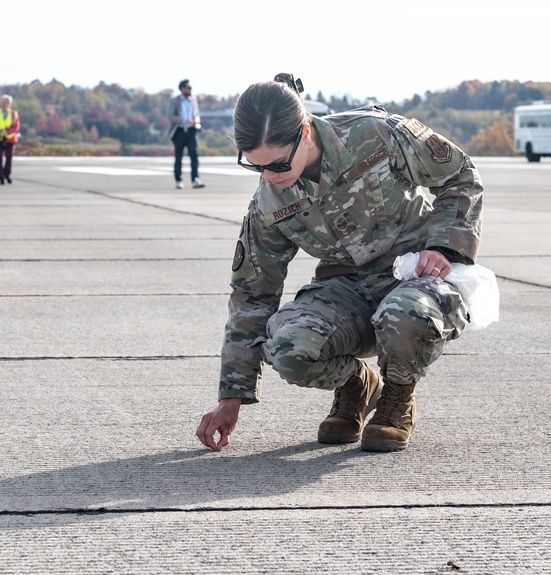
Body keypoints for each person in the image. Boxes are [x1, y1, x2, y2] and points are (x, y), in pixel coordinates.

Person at [196, 73, 483, 453]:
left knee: (403, 313)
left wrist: (444, 248)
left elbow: (461, 175)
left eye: (278, 164)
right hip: (349, 290)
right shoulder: (269, 201)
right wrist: (230, 398)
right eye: (255, 166)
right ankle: (356, 385)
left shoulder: (374, 135)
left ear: (306, 131)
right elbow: (252, 295)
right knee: (287, 346)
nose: (269, 177)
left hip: (419, 277)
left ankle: (398, 399)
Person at [167, 79, 204, 189]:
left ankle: (195, 179)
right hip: (179, 130)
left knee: (194, 154)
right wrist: (184, 120)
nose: (190, 90)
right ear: (182, 88)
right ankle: (178, 180)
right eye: (188, 88)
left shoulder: (193, 100)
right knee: (179, 156)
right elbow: (171, 116)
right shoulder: (175, 101)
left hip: (192, 130)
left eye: (190, 88)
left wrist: (196, 120)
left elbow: (196, 113)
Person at [0, 95, 20, 185]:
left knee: (9, 157)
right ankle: (1, 177)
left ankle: (7, 174)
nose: (4, 104)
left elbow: (16, 126)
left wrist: (8, 132)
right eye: (2, 102)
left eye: (6, 102)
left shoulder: (14, 114)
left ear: (9, 104)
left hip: (10, 138)